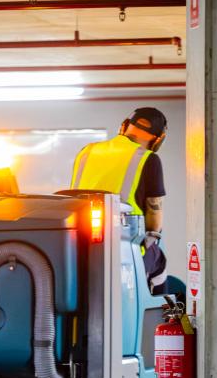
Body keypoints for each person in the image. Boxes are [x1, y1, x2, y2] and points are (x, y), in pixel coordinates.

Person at [68, 107, 169, 294]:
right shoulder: (148, 159)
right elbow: (154, 213)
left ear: (124, 126)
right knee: (159, 259)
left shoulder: (86, 151)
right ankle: (162, 320)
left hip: (76, 242)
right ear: (158, 139)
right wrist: (152, 237)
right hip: (124, 245)